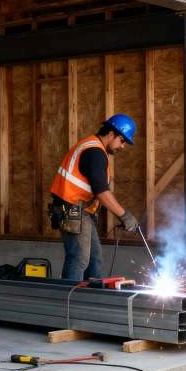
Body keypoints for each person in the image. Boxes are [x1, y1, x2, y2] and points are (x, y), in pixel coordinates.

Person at [49, 114, 140, 282]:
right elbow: (102, 192)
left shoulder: (94, 148)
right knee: (79, 259)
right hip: (72, 209)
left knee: (94, 259)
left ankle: (94, 300)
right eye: (122, 140)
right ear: (111, 134)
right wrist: (124, 215)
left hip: (80, 211)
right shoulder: (94, 152)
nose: (123, 146)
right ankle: (69, 302)